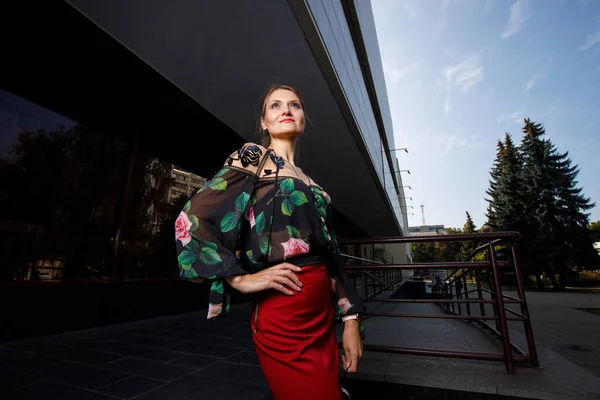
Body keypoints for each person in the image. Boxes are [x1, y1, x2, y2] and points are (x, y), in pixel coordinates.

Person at [174, 84, 365, 399]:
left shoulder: (314, 185)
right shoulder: (255, 158)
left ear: (303, 118)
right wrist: (241, 278)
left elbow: (334, 260)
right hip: (284, 311)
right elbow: (191, 219)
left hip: (321, 315)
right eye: (276, 106)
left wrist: (351, 320)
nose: (287, 110)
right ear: (264, 121)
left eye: (295, 105)